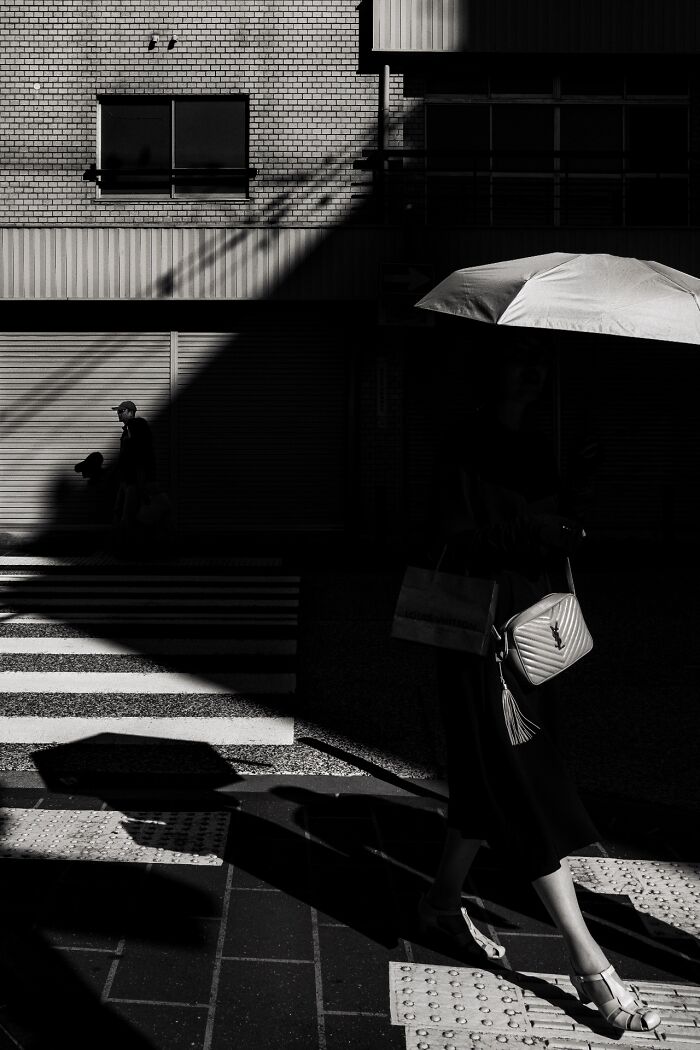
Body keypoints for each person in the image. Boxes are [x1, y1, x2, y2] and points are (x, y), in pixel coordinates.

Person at [419, 338, 660, 1034]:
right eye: (521, 362)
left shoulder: (534, 447)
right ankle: (590, 962)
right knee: (524, 787)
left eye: (541, 365)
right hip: (481, 638)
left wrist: (576, 489)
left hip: (535, 637)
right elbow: (450, 539)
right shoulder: (463, 445)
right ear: (490, 369)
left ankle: (439, 903)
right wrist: (532, 526)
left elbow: (559, 538)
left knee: (484, 782)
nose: (535, 374)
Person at [112, 399, 156, 530]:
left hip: (133, 481)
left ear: (131, 412)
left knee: (127, 516)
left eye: (121, 411)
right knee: (121, 513)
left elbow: (138, 456)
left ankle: (126, 546)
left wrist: (141, 482)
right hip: (127, 480)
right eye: (118, 411)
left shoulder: (134, 428)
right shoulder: (127, 430)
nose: (118, 414)